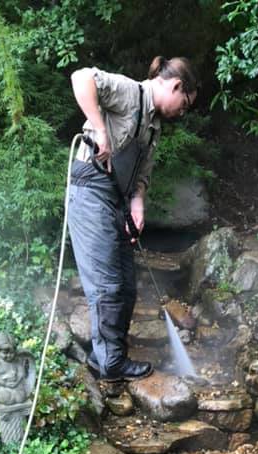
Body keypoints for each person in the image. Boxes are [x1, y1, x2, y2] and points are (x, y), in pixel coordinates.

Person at [68, 56, 198, 382]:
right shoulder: (129, 92)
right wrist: (100, 130)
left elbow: (142, 174)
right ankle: (111, 365)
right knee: (107, 285)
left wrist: (137, 203)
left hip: (118, 201)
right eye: (184, 104)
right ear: (176, 86)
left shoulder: (153, 126)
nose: (183, 112)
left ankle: (108, 356)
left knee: (126, 284)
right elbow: (81, 77)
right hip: (90, 191)